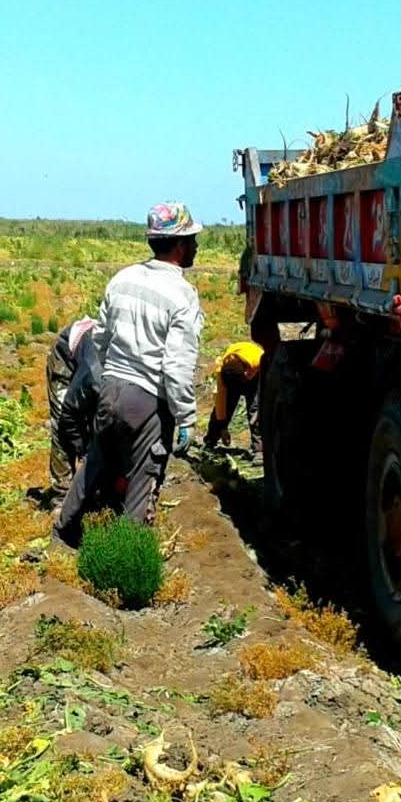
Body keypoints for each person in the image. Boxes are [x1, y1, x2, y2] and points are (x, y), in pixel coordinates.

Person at [54, 202, 204, 547]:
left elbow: (101, 338)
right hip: (147, 400)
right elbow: (176, 367)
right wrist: (185, 418)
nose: (196, 246)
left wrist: (111, 379)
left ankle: (62, 533)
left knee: (95, 462)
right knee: (143, 478)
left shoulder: (122, 278)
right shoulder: (182, 295)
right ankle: (127, 554)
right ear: (180, 245)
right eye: (193, 240)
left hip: (110, 388)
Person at [45, 317, 98, 510]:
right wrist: (83, 450)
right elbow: (69, 414)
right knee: (61, 425)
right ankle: (62, 494)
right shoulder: (94, 378)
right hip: (66, 357)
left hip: (91, 365)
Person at [204, 341, 263, 459]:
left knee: (255, 409)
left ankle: (259, 450)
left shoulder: (259, 360)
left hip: (257, 377)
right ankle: (211, 440)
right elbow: (221, 403)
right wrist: (223, 428)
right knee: (225, 405)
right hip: (236, 376)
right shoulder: (223, 373)